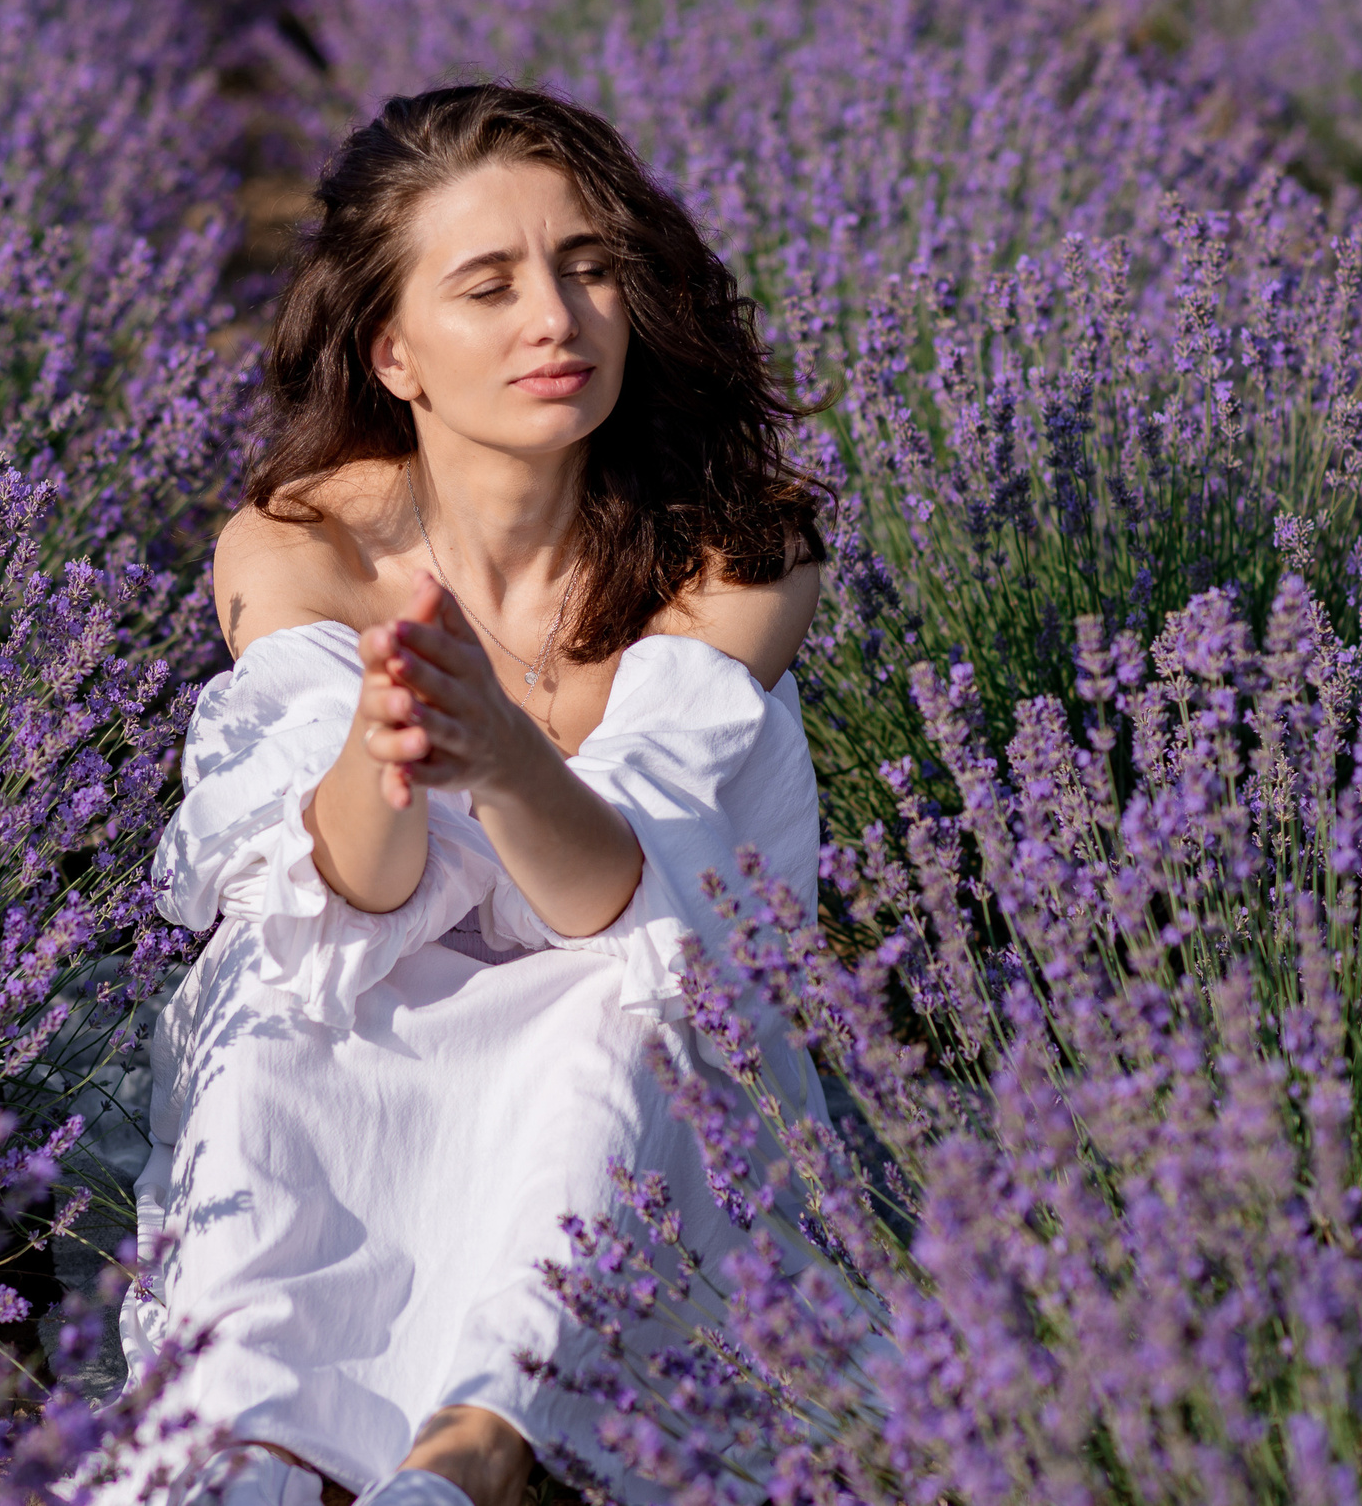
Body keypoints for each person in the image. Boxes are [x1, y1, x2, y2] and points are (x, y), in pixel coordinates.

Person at [68, 84, 829, 1506]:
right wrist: (387, 736)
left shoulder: (736, 549)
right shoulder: (303, 544)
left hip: (648, 1032)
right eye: (489, 286)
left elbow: (629, 892)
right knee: (279, 1014)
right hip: (380, 1008)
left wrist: (503, 752)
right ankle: (249, 1451)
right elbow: (333, 892)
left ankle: (468, 1457)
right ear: (395, 351)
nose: (558, 317)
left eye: (590, 265)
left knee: (637, 999)